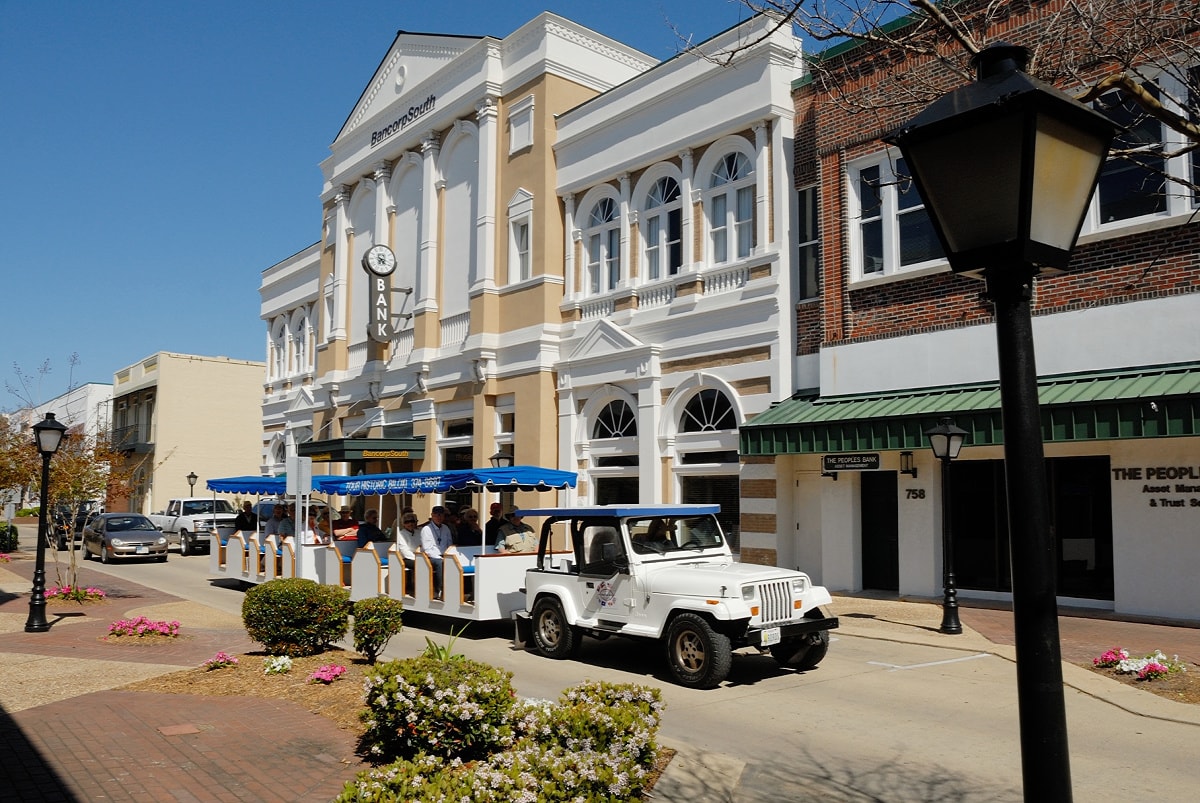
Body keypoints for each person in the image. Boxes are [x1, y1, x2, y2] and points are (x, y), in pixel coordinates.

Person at [419, 505, 454, 598]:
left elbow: (449, 544)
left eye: (441, 515)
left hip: (444, 555)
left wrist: (447, 555)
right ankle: (439, 589)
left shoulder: (446, 528)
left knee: (454, 561)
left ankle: (455, 588)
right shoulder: (426, 529)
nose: (439, 517)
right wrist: (440, 556)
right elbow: (427, 549)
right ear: (432, 515)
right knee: (440, 563)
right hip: (430, 557)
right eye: (437, 515)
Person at [392, 511, 419, 597]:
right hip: (406, 559)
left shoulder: (419, 532)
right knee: (421, 565)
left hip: (421, 557)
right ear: (403, 524)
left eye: (412, 521)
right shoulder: (401, 534)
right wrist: (418, 559)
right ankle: (417, 589)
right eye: (407, 522)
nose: (410, 524)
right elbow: (405, 551)